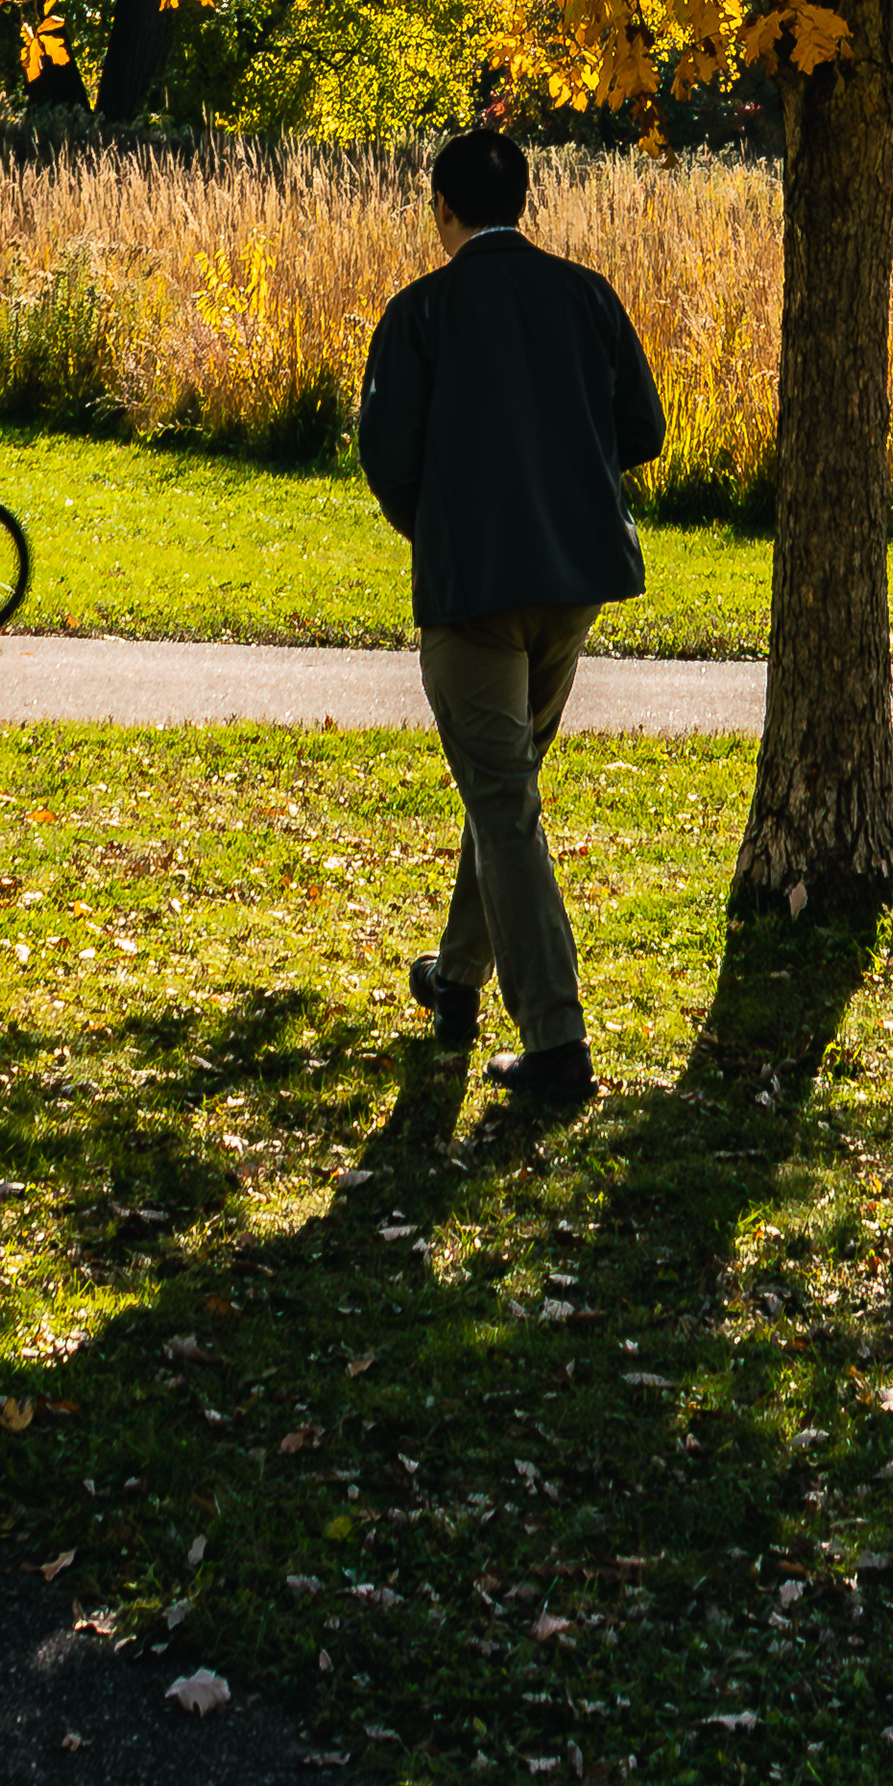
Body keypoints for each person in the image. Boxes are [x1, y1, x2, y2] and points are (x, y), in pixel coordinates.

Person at [356, 128, 665, 1112]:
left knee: (503, 804)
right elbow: (644, 433)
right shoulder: (587, 297)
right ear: (521, 201)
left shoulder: (422, 313)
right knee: (506, 792)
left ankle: (557, 1045)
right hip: (571, 583)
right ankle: (455, 980)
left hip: (471, 594)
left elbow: (387, 460)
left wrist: (440, 526)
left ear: (441, 206)